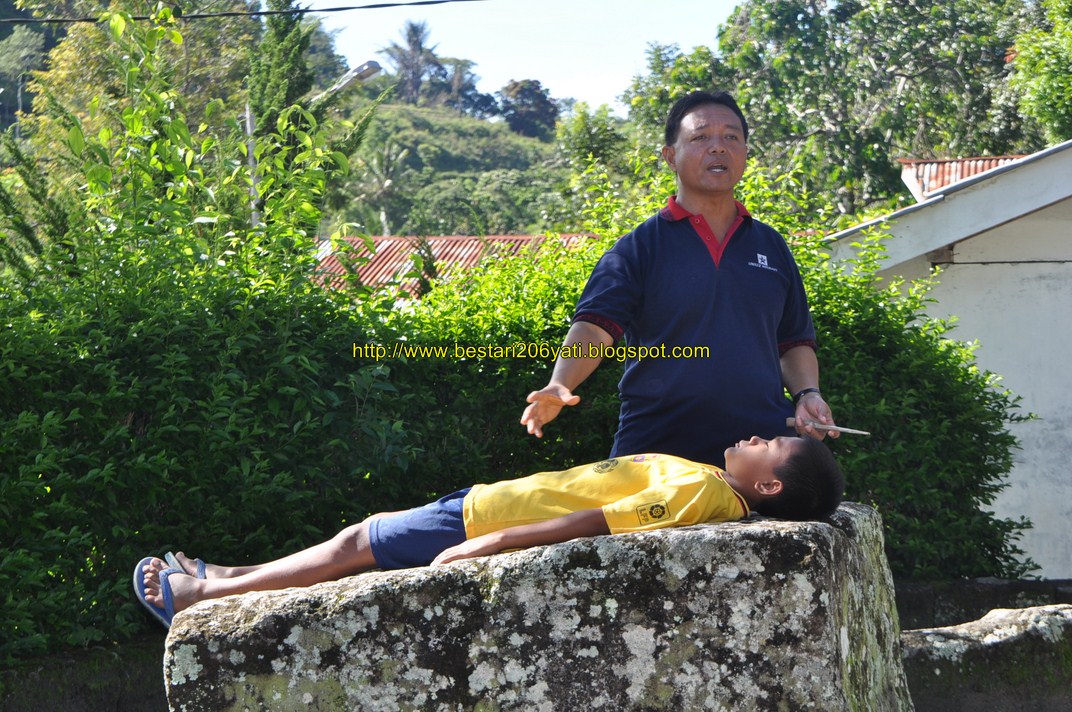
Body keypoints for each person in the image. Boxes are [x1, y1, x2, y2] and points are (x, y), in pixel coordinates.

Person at [134, 435, 842, 628]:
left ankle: (201, 598)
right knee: (358, 543)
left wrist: (492, 544)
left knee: (357, 544)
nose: (754, 435)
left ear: (769, 484)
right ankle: (228, 578)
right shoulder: (718, 494)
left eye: (768, 444)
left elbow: (600, 522)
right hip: (492, 504)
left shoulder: (705, 492)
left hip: (491, 519)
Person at [521, 91, 838, 468]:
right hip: (655, 449)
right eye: (701, 137)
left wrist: (807, 393)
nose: (718, 148)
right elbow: (594, 327)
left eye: (731, 137)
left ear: (746, 153)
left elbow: (794, 340)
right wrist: (561, 383)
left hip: (759, 453)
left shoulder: (771, 245)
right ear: (670, 155)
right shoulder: (638, 248)